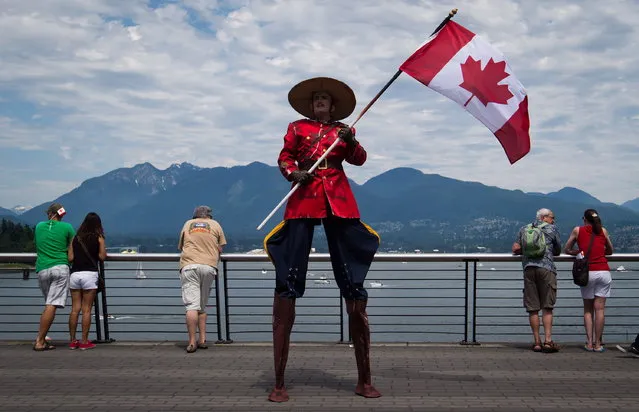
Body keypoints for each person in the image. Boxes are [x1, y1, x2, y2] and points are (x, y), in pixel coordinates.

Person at [264, 77, 381, 402]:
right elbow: (285, 157)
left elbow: (359, 159)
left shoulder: (345, 130)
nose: (319, 101)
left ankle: (364, 380)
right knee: (287, 282)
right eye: (315, 98)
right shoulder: (297, 128)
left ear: (332, 105)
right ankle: (278, 383)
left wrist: (351, 142)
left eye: (324, 98)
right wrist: (293, 174)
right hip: (304, 197)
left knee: (353, 284)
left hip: (339, 200)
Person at [563, 209, 614, 352]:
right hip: (603, 272)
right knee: (600, 309)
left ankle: (589, 343)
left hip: (588, 273)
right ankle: (598, 344)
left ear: (584, 219)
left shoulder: (577, 230)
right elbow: (610, 251)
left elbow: (567, 249)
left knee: (588, 309)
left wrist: (578, 252)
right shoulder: (603, 230)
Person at [512, 208, 561, 353]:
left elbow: (516, 248)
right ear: (544, 217)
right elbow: (557, 250)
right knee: (547, 307)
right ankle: (548, 341)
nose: (553, 220)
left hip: (528, 269)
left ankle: (537, 342)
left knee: (533, 308)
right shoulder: (552, 229)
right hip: (546, 268)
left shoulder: (524, 229)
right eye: (552, 217)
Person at [178, 206, 226, 353]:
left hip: (189, 266)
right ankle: (203, 340)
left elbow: (181, 246)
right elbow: (220, 247)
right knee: (202, 307)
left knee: (192, 306)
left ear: (195, 216)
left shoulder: (187, 224)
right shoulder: (216, 225)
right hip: (208, 266)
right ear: (209, 217)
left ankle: (192, 342)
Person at [33, 202, 76, 351]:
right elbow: (71, 255)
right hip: (60, 268)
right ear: (61, 214)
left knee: (48, 305)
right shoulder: (68, 228)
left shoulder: (38, 226)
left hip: (42, 269)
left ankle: (42, 338)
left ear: (49, 213)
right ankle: (39, 341)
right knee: (51, 305)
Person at [67, 212, 107, 350]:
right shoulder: (99, 238)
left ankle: (73, 341)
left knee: (74, 309)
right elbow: (102, 256)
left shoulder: (75, 238)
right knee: (87, 310)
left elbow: (70, 258)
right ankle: (84, 341)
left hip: (75, 275)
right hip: (90, 275)